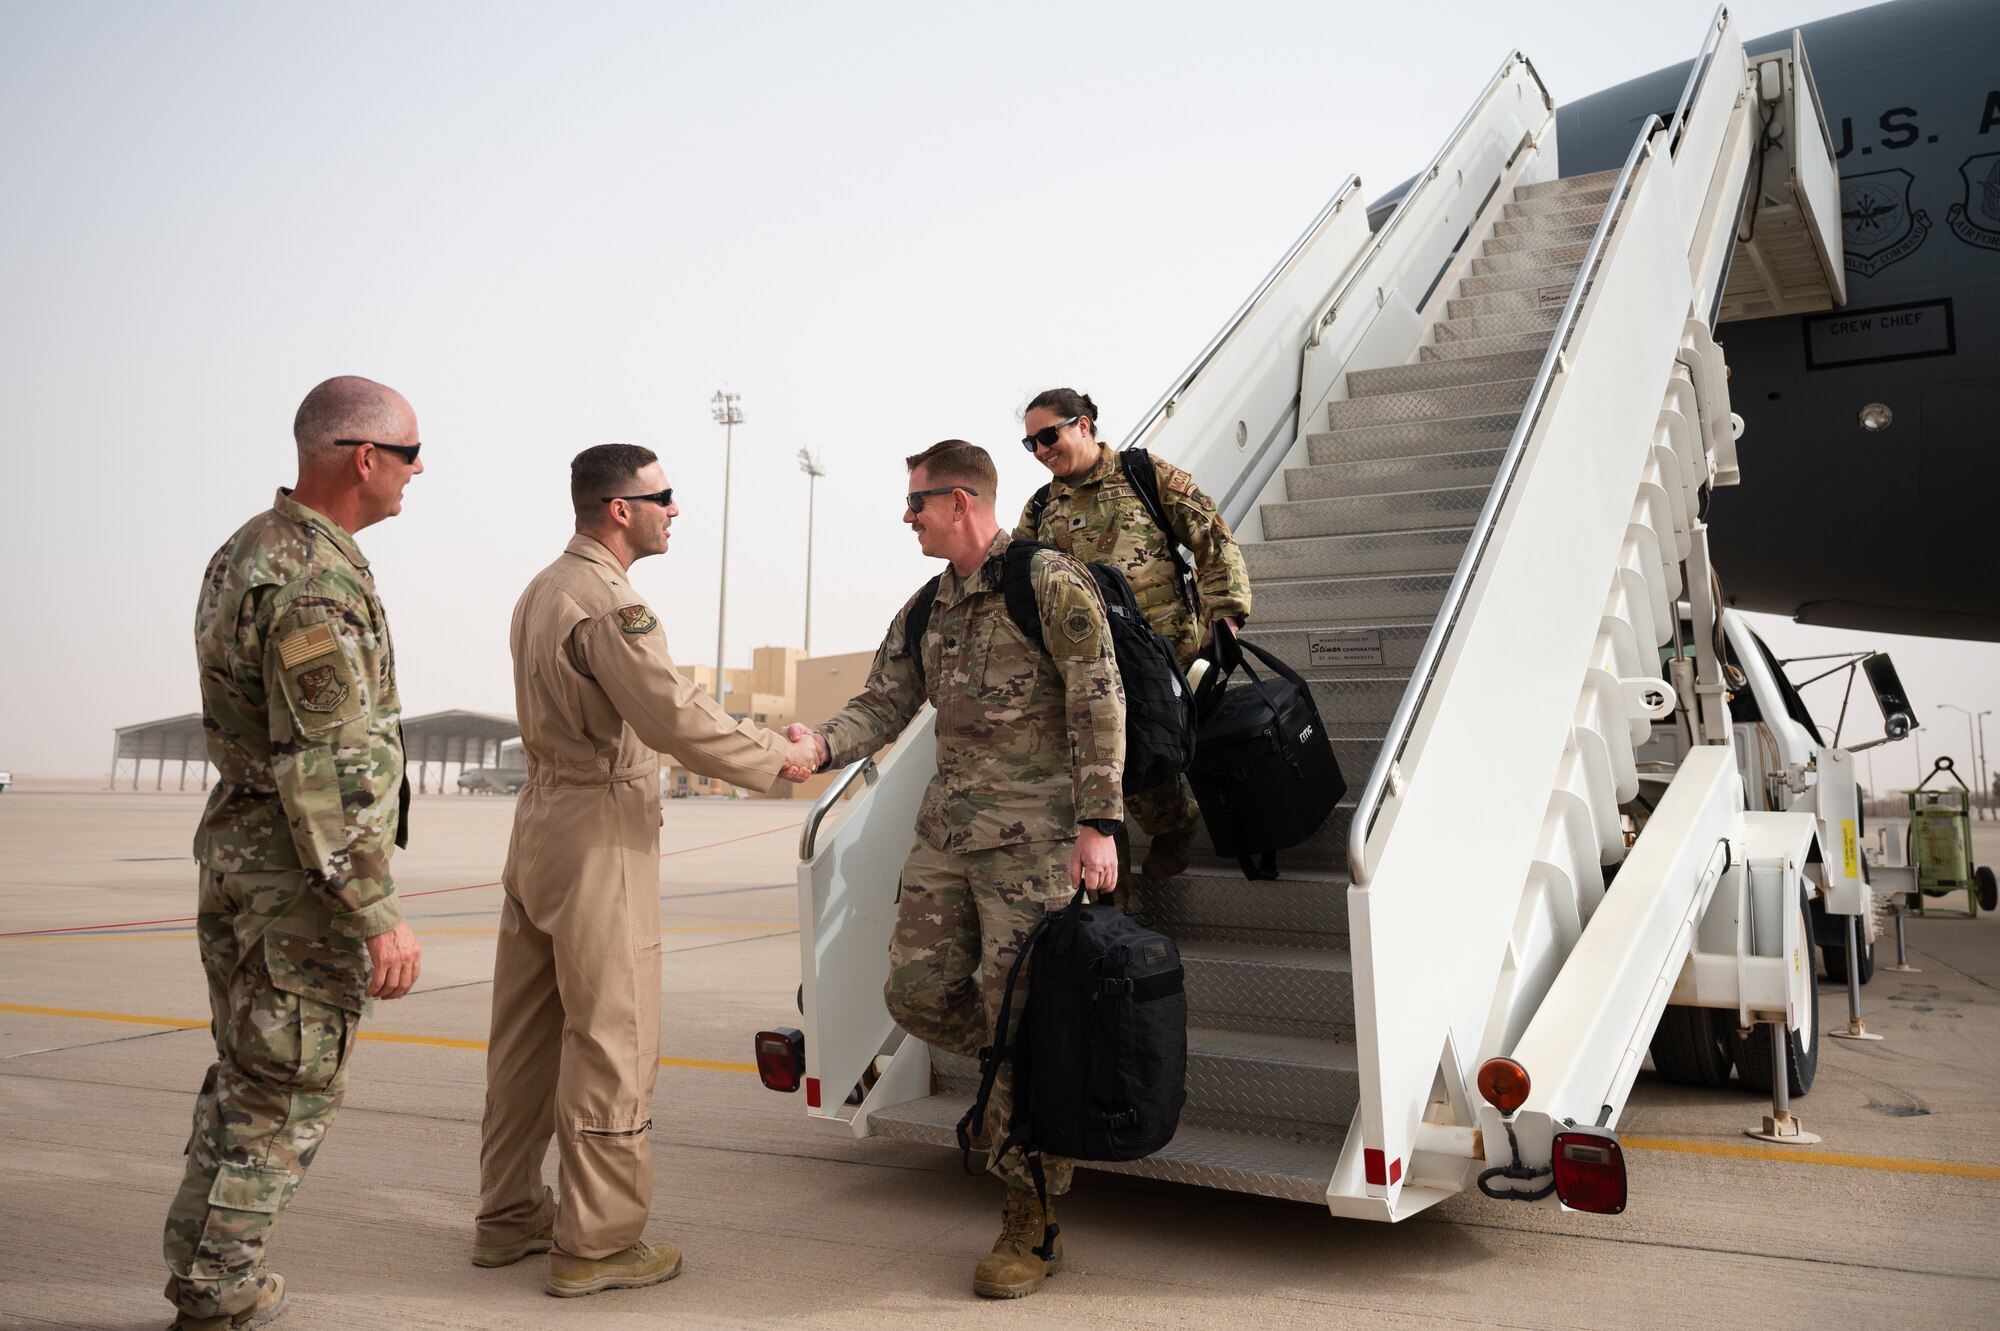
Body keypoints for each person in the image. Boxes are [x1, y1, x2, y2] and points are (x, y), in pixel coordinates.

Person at [474, 443, 818, 1299]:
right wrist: (780, 757)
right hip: (597, 830)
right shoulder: (608, 602)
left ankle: (509, 1212)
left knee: (525, 1035)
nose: (676, 509)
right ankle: (597, 1241)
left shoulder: (543, 588)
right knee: (613, 1035)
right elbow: (671, 712)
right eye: (663, 496)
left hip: (539, 825)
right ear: (618, 508)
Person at [788, 440, 1125, 1299]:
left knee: (1020, 1021)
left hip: (1038, 842)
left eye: (917, 503)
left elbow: (1098, 694)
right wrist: (825, 743)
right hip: (948, 834)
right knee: (916, 992)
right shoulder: (926, 607)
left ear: (963, 500)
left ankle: (1031, 1223)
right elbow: (886, 699)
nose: (907, 517)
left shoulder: (1046, 581)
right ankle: (1031, 1055)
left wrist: (1098, 823)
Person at [164, 375, 427, 1331]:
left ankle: (202, 1271)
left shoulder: (247, 551)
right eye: (408, 453)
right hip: (298, 882)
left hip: (241, 860)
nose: (417, 471)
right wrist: (375, 909)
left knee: (245, 1075)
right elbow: (327, 763)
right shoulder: (313, 574)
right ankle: (221, 1291)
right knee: (286, 1091)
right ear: (364, 457)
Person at [1014, 388, 1253, 891]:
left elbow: (1211, 534)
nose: (1040, 450)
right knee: (1101, 762)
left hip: (1164, 652)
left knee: (1149, 750)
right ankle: (1113, 900)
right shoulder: (1039, 509)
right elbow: (1020, 579)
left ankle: (1175, 827)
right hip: (1087, 658)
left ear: (1082, 425)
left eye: (1047, 435)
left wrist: (1226, 615)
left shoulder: (1142, 474)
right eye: (1030, 443)